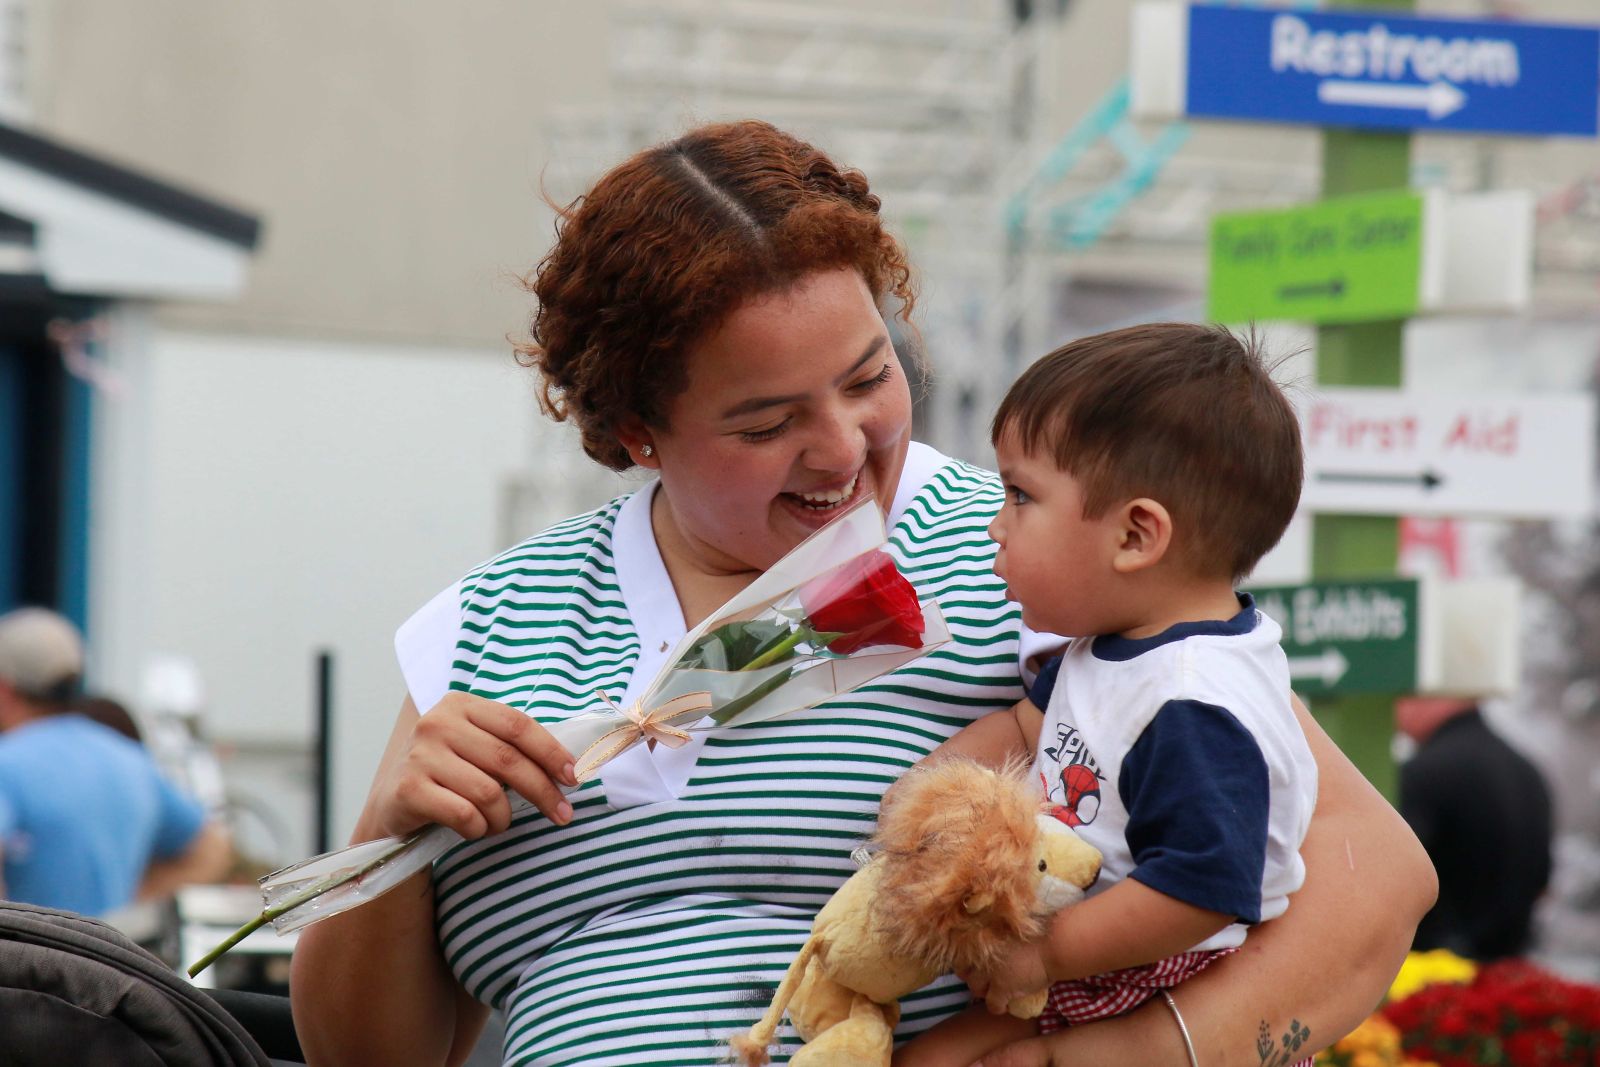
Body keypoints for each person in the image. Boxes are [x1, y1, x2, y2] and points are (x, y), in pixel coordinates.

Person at [289, 120, 1436, 1067]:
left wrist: (1099, 1058)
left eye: (867, 375)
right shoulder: (496, 622)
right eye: (766, 420)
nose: (842, 446)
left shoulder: (1043, 558)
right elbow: (368, 1055)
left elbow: (1369, 875)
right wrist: (395, 835)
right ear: (637, 432)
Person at [890, 324, 1317, 1067]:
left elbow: (1202, 889)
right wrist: (928, 795)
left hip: (1157, 968)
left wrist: (1048, 955)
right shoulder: (1113, 644)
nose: (994, 526)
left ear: (1135, 536)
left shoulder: (1194, 704)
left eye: (1021, 496)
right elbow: (1027, 728)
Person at [0, 607, 232, 915]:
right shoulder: (130, 760)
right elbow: (212, 850)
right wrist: (135, 907)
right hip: (110, 955)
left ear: (5, 689)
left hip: (28, 959)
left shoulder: (9, 763)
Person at [1396, 695, 1552, 961]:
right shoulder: (1525, 769)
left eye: (1405, 697)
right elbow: (1542, 878)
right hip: (1509, 970)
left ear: (1437, 697)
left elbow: (1398, 873)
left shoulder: (1425, 772)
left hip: (1432, 973)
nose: (1397, 711)